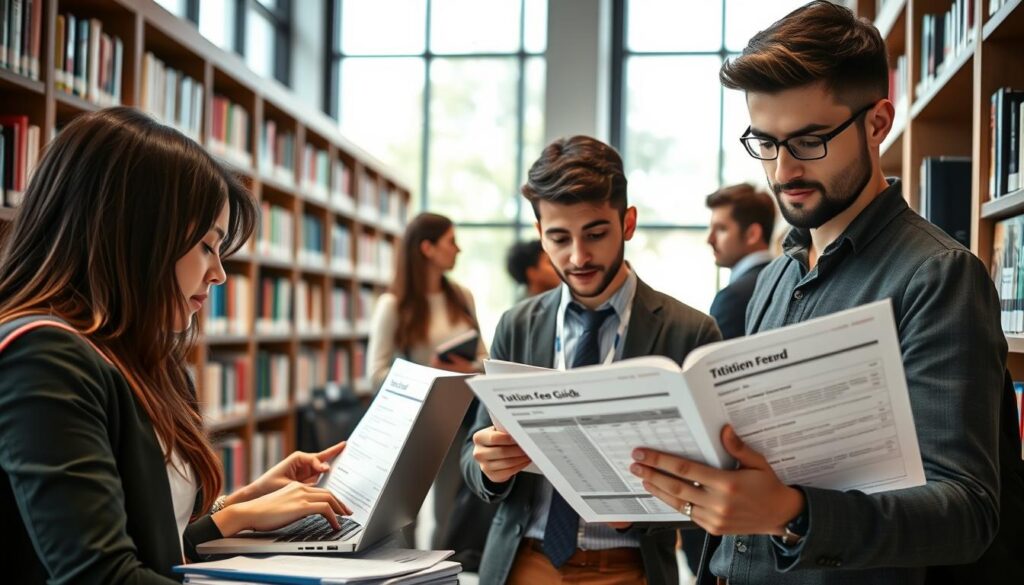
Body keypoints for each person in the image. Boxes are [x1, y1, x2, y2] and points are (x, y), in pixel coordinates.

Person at [628, 3, 1024, 584]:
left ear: (877, 123)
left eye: (809, 141)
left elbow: (966, 512)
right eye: (764, 142)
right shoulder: (774, 279)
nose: (783, 169)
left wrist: (793, 514)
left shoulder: (937, 276)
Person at [0, 107, 353, 585]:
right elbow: (103, 577)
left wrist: (236, 511)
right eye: (207, 245)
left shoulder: (141, 358)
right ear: (134, 233)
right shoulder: (44, 357)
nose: (220, 273)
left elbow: (148, 547)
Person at [461, 135, 722, 585]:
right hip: (523, 562)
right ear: (540, 233)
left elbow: (714, 487)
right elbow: (471, 458)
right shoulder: (516, 325)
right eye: (559, 238)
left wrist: (641, 514)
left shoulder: (690, 333)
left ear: (628, 222)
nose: (578, 257)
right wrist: (490, 467)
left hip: (629, 568)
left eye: (596, 234)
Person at [366, 212, 487, 551]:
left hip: (458, 421)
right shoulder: (393, 305)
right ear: (428, 248)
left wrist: (467, 365)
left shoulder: (462, 297)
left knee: (449, 515)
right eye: (451, 241)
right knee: (405, 519)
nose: (458, 249)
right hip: (410, 426)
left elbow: (485, 359)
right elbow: (375, 376)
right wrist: (427, 373)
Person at [705, 183, 776, 340]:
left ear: (752, 234)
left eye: (721, 229)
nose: (709, 239)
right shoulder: (786, 280)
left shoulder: (733, 298)